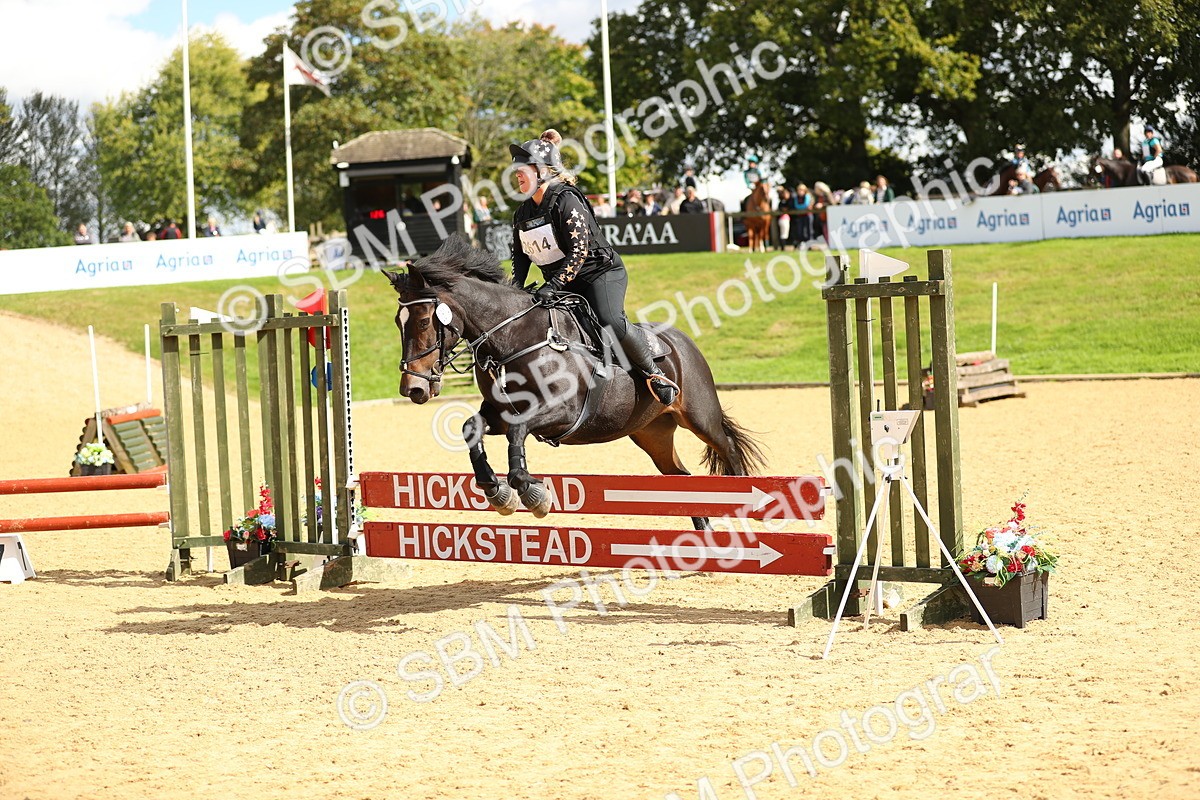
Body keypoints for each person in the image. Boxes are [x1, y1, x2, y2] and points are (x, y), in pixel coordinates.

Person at [509, 129, 679, 405]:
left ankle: (654, 373)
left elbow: (579, 251)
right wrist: (516, 290)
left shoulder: (566, 200)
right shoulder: (522, 214)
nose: (517, 175)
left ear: (542, 172)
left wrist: (552, 285)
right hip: (562, 283)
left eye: (523, 169)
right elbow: (520, 257)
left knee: (609, 319)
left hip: (599, 274)